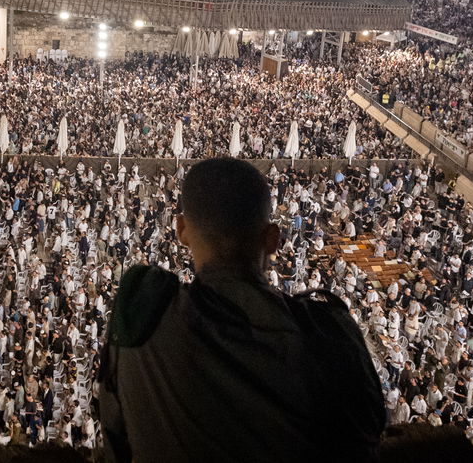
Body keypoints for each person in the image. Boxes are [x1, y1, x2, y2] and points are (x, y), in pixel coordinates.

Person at [98, 158, 385, 462]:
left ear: (181, 230)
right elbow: (366, 436)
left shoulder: (141, 316)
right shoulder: (330, 334)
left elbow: (115, 435)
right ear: (273, 238)